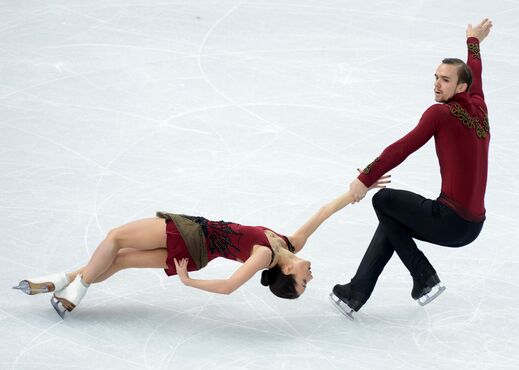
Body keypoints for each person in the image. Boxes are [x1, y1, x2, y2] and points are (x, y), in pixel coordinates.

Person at [13, 176, 389, 319]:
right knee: (123, 260)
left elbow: (228, 288)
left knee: (114, 238)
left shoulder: (264, 256)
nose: (312, 276)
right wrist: (362, 185)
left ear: (286, 272)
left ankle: (73, 290)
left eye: (305, 283)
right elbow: (326, 211)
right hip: (197, 252)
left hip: (191, 235)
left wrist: (188, 284)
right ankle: (61, 281)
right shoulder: (292, 243)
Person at [330, 19, 493, 319]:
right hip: (473, 227)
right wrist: (473, 42)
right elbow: (476, 74)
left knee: (384, 201)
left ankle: (423, 275)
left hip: (450, 219)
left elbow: (401, 148)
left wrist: (364, 180)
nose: (436, 84)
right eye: (436, 77)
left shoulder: (440, 113)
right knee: (394, 219)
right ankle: (356, 292)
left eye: (445, 79)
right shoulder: (480, 108)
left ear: (460, 86)